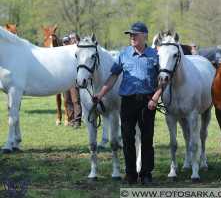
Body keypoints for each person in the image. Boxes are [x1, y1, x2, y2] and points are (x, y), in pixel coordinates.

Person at [93, 22, 162, 185]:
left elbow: (163, 79)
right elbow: (113, 77)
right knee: (127, 138)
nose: (131, 37)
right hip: (128, 102)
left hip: (148, 102)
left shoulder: (155, 55)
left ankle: (146, 174)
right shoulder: (123, 54)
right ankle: (130, 174)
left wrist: (156, 97)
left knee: (146, 139)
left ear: (144, 36)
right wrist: (100, 95)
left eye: (135, 34)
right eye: (130, 35)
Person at [63, 33, 82, 128]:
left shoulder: (80, 50)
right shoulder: (66, 50)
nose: (72, 40)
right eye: (71, 38)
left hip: (75, 78)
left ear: (77, 39)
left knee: (75, 100)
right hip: (65, 78)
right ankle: (70, 120)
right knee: (66, 100)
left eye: (73, 38)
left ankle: (77, 120)